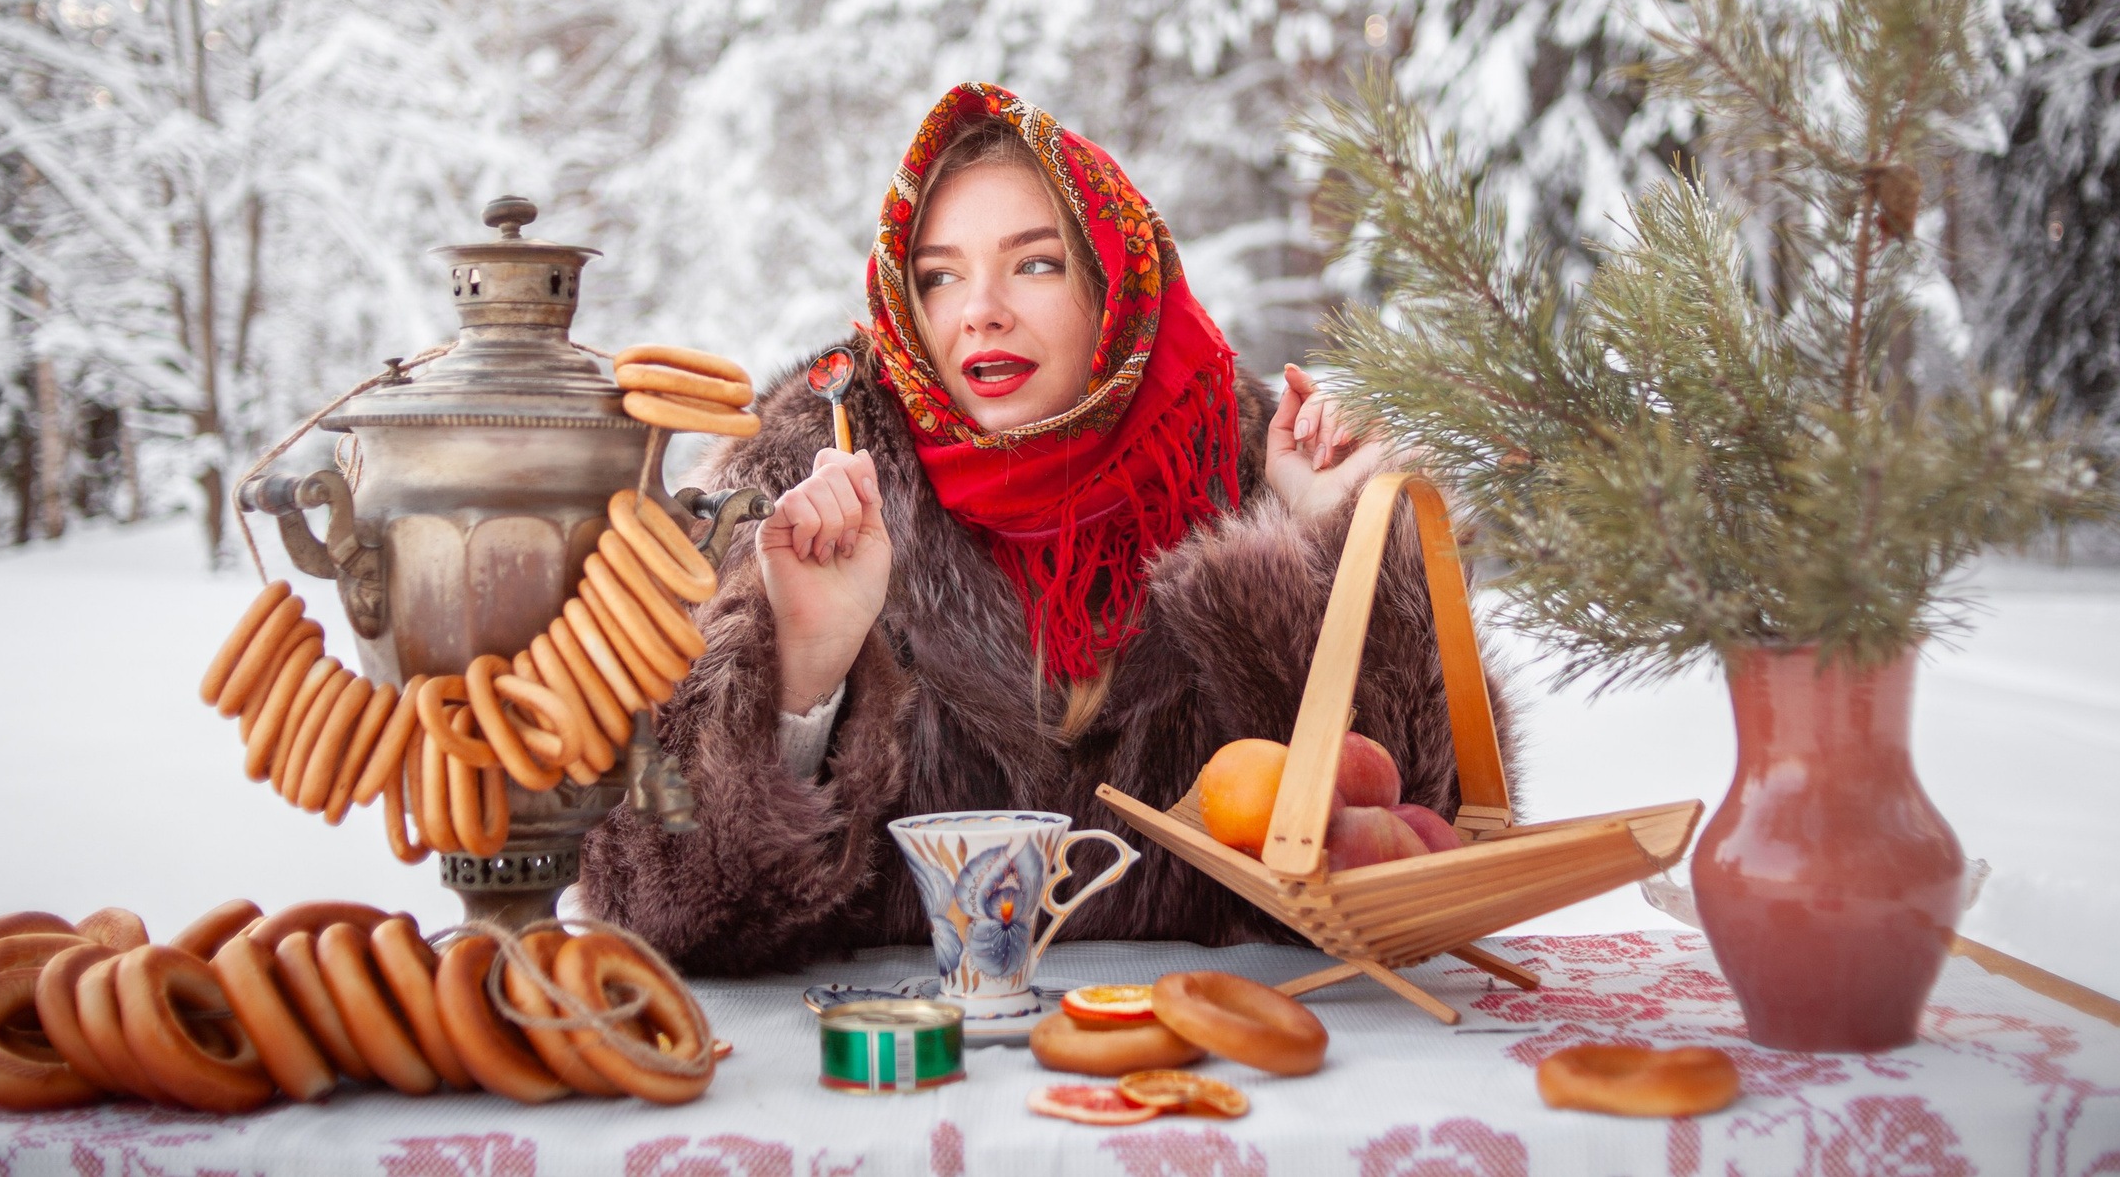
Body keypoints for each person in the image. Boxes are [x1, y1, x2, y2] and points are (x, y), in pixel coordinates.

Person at [581, 83, 1514, 972]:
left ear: (1113, 283)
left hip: (1208, 1060)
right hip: (897, 1071)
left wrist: (1330, 555)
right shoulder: (802, 483)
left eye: (1035, 263)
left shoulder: (1247, 466)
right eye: (939, 278)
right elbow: (663, 907)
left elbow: (1426, 859)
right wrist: (806, 675)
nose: (981, 311)